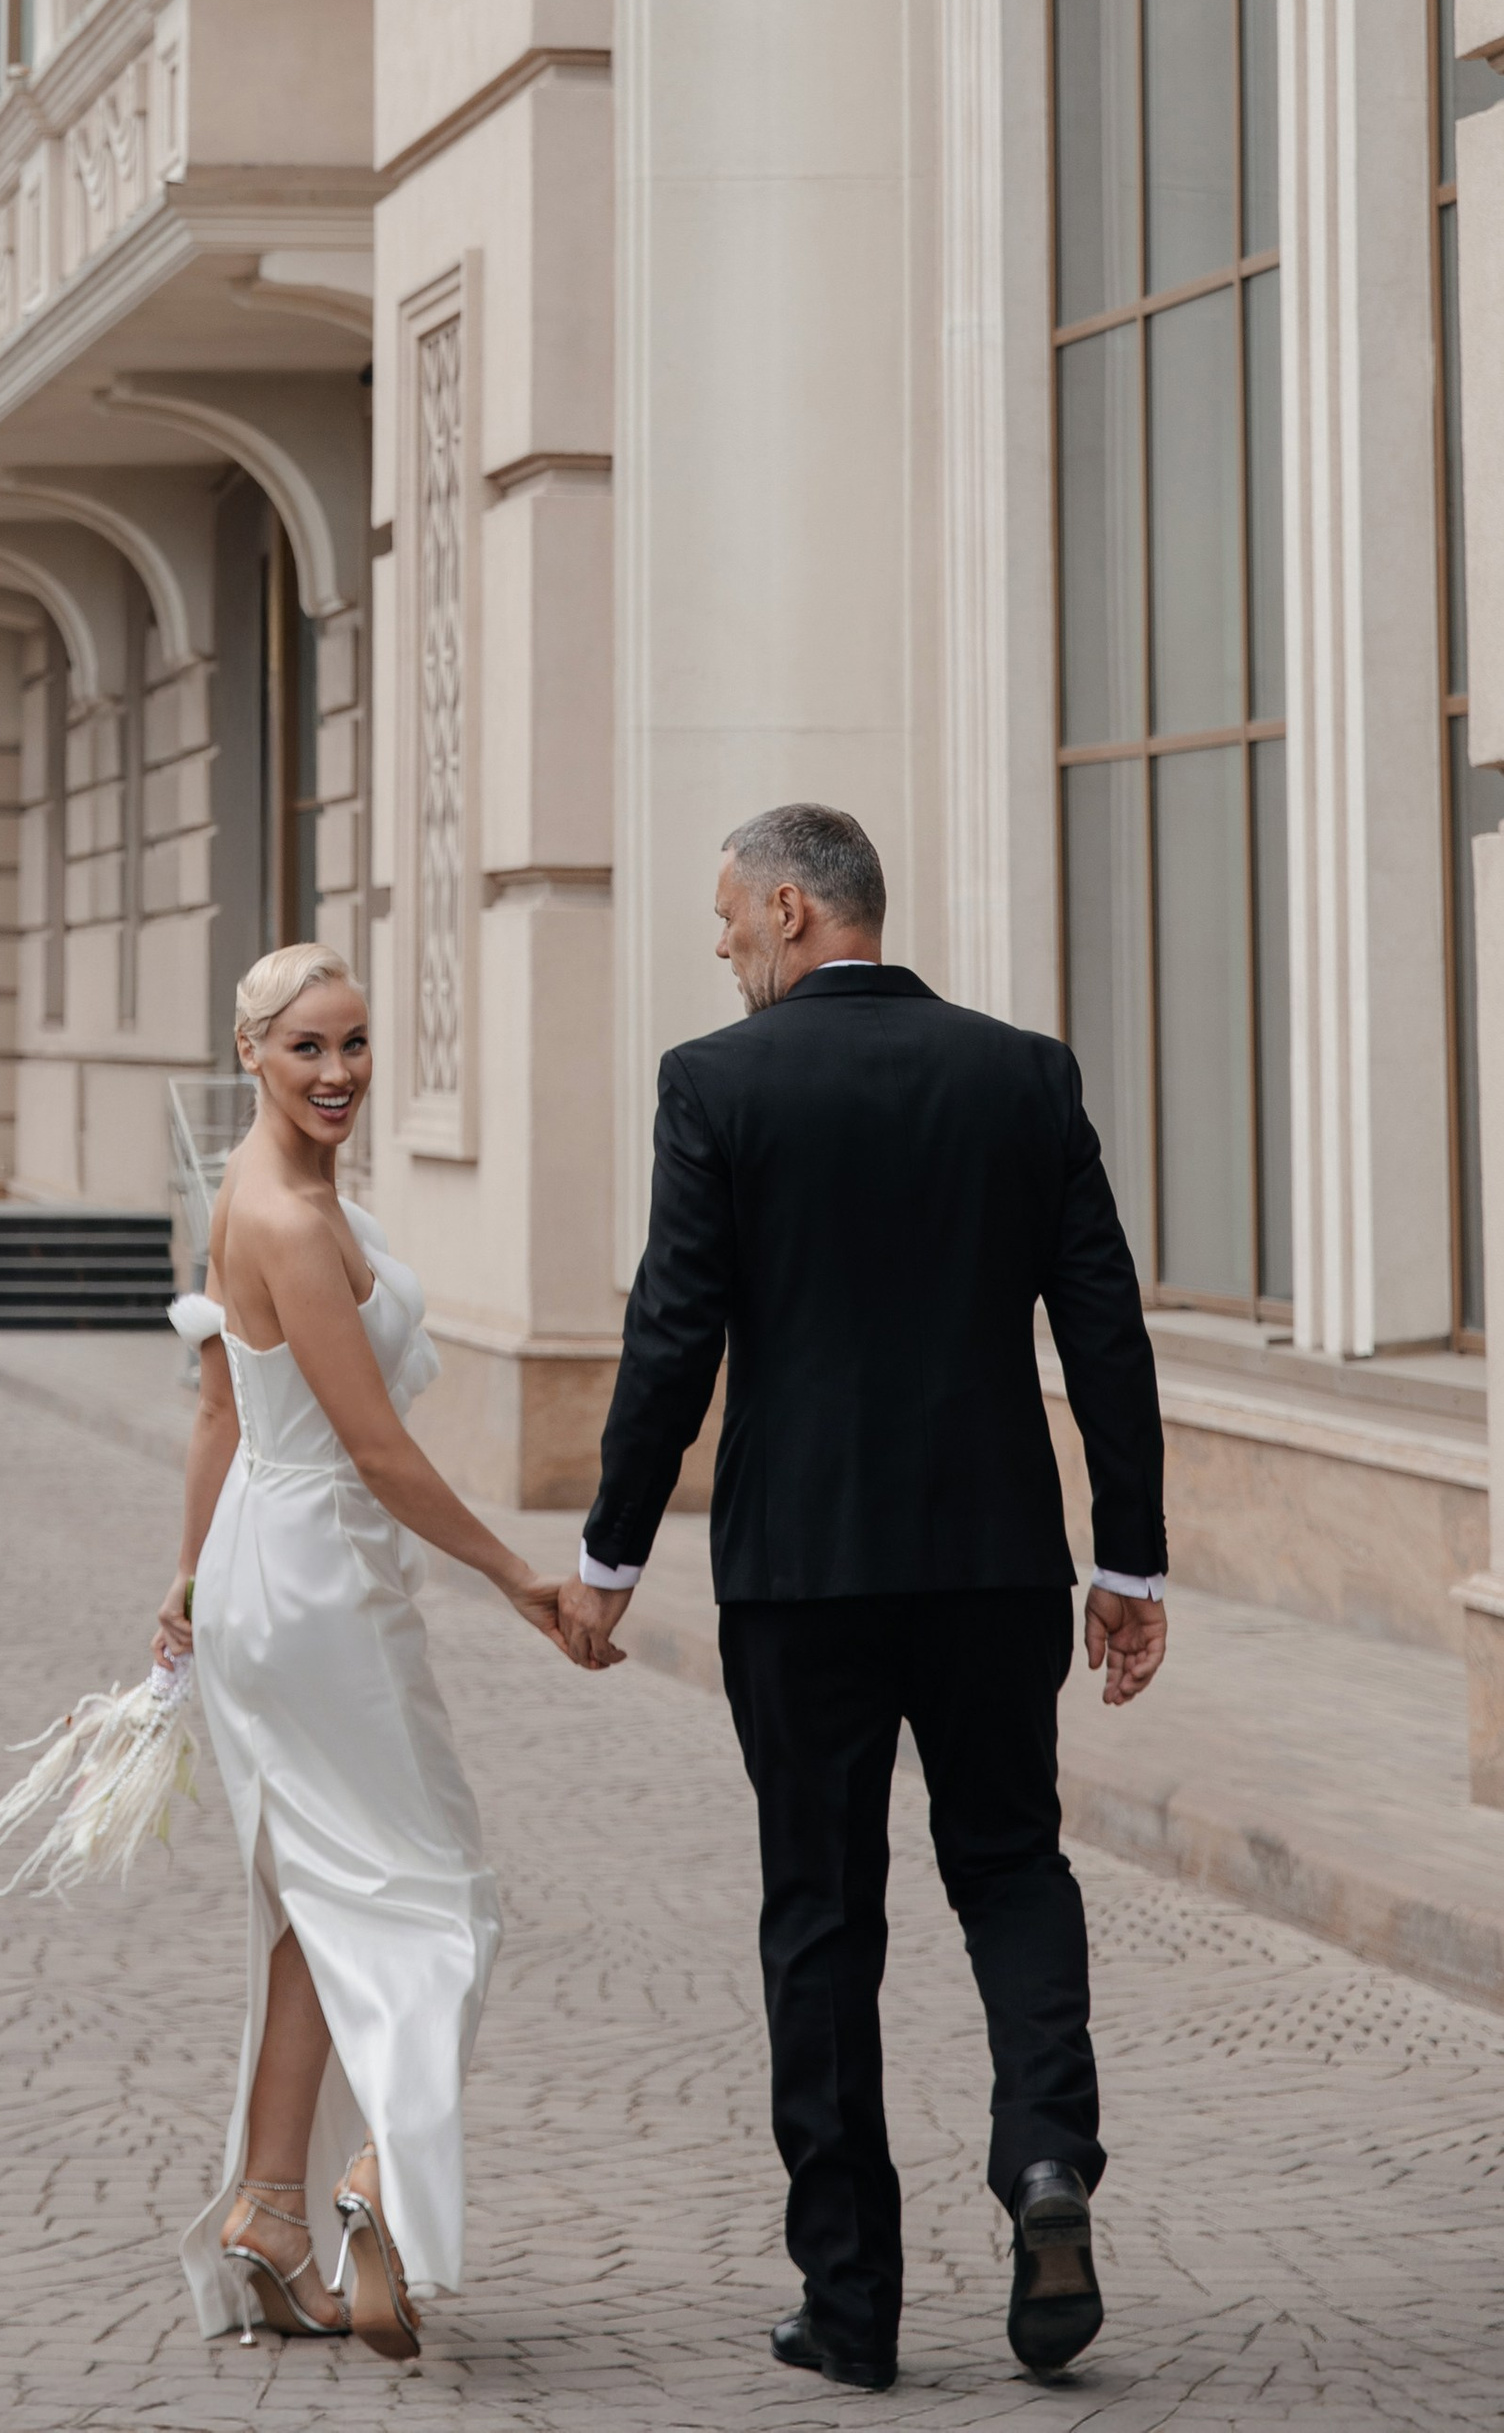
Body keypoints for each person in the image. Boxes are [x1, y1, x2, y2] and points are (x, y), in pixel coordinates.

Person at [559, 805, 1167, 2394]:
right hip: (991, 1565)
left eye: (724, 920)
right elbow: (1106, 1330)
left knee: (822, 1916)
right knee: (1013, 1865)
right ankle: (1046, 2161)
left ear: (787, 907)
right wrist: (1129, 1559)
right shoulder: (1022, 1075)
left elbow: (670, 1336)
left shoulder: (719, 1084)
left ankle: (853, 2302)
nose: (719, 947)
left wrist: (610, 1559)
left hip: (803, 1578)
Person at [156, 943, 574, 2354]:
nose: (338, 1073)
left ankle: (270, 2213)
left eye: (354, 1044)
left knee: (313, 1908)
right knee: (446, 1897)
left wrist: (185, 1574)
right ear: (250, 1058)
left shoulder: (266, 1188)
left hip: (268, 1573)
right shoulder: (277, 1215)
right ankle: (377, 2185)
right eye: (306, 1050)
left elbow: (220, 1412)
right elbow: (378, 1451)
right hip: (324, 1582)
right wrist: (522, 1574)